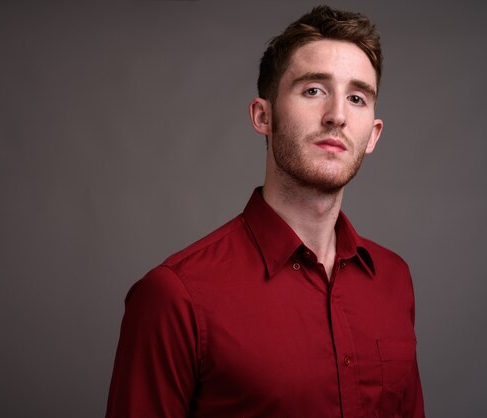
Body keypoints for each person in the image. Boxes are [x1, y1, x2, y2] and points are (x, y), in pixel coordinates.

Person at [106, 5, 425, 418]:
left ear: (372, 135)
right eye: (313, 90)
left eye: (357, 97)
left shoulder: (393, 280)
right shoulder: (174, 297)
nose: (338, 116)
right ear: (263, 116)